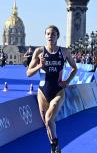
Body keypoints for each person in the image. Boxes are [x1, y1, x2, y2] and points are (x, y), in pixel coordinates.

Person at [27, 25, 77, 153]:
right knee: (47, 123)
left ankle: (55, 144)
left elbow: (74, 68)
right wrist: (39, 65)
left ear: (57, 36)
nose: (50, 36)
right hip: (43, 92)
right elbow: (28, 73)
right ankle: (54, 145)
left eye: (53, 34)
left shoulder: (64, 52)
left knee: (49, 119)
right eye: (48, 34)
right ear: (45, 36)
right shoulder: (39, 52)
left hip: (58, 90)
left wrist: (67, 81)